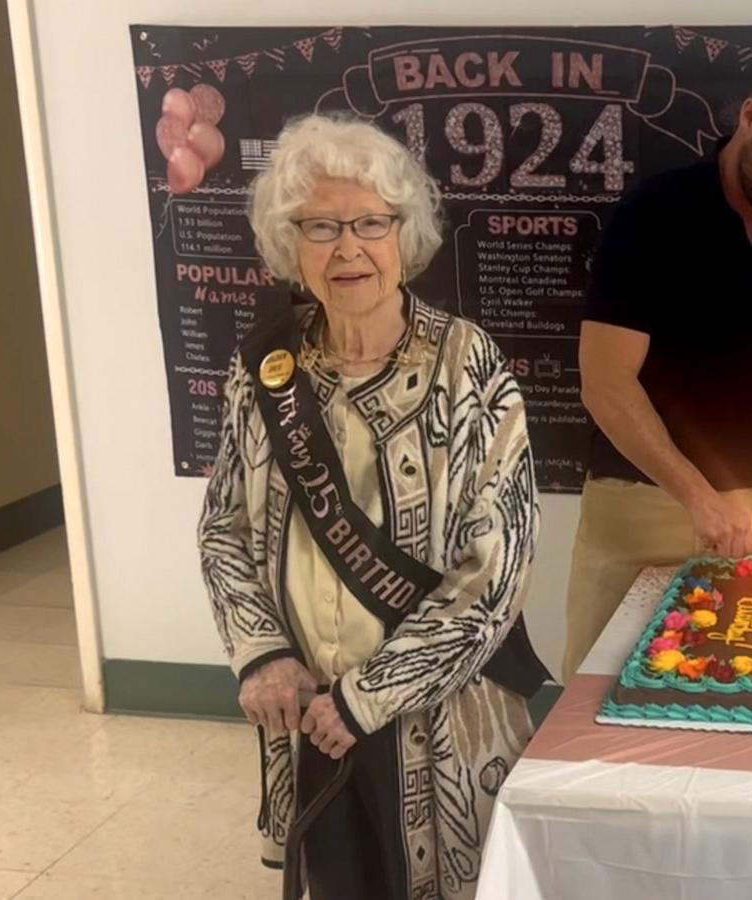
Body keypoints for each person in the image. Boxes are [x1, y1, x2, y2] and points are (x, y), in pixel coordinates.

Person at [198, 114, 549, 900]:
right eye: (319, 226)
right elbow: (224, 526)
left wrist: (370, 696)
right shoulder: (264, 369)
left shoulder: (470, 365)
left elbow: (496, 569)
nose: (347, 248)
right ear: (293, 247)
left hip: (442, 717)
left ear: (404, 234)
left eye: (369, 223)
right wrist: (261, 655)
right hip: (308, 712)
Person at [564, 48, 752, 680]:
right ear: (751, 117)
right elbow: (606, 383)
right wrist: (694, 494)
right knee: (597, 704)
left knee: (745, 694)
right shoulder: (651, 216)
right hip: (636, 501)